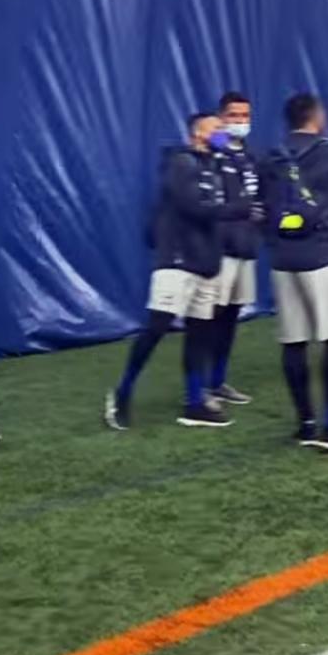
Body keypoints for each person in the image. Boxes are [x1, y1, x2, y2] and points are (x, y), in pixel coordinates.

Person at [105, 113, 255, 430]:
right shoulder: (180, 163)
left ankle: (194, 403)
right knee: (157, 327)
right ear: (197, 133)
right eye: (216, 129)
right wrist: (237, 210)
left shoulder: (215, 167)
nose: (223, 133)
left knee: (200, 333)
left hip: (206, 263)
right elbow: (195, 208)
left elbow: (229, 204)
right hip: (177, 262)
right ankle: (122, 393)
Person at [261, 93, 328, 452]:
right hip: (323, 255)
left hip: (282, 259)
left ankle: (305, 423)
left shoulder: (272, 155)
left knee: (294, 341)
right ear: (316, 117)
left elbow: (261, 209)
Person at [204, 92, 263, 410]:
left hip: (246, 249)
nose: (240, 121)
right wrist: (242, 212)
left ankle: (218, 380)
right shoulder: (213, 156)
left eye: (245, 115)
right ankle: (200, 388)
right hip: (220, 251)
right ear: (221, 117)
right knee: (209, 318)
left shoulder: (250, 156)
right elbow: (211, 207)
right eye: (234, 115)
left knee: (230, 318)